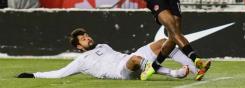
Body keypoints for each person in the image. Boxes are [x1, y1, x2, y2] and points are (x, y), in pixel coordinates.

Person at [17, 28, 193, 80]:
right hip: (122, 72)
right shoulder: (82, 60)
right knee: (136, 59)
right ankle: (173, 73)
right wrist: (33, 74)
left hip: (131, 59)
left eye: (86, 35)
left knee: (163, 42)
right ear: (79, 47)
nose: (87, 38)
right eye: (83, 39)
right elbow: (59, 73)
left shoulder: (103, 45)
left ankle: (195, 66)